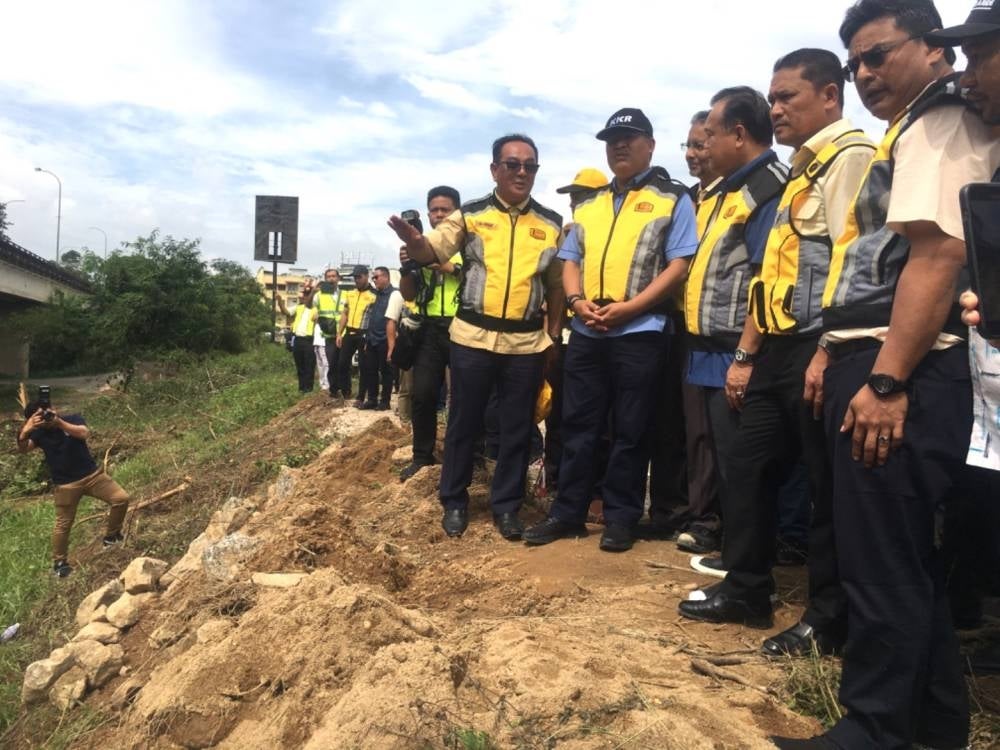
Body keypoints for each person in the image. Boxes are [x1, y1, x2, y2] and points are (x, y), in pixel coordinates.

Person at [770, 2, 1000, 748]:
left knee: (882, 563)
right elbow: (878, 262)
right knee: (897, 558)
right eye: (856, 63)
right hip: (873, 357)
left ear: (934, 49)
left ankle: (875, 727)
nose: (866, 74)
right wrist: (835, 351)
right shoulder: (912, 128)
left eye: (879, 55)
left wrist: (889, 380)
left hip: (906, 367)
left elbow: (937, 255)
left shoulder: (942, 123)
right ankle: (930, 727)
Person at [679, 50, 876, 652]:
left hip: (820, 347)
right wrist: (746, 355)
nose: (777, 109)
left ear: (829, 97)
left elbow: (853, 265)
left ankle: (827, 619)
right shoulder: (802, 170)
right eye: (774, 98)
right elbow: (774, 274)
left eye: (789, 96)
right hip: (774, 348)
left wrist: (827, 351)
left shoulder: (853, 159)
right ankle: (745, 590)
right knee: (747, 464)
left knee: (825, 487)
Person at [522, 108, 697, 552]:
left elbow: (679, 265)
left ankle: (621, 517)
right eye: (612, 139)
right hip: (588, 330)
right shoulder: (590, 204)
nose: (619, 145)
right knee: (577, 424)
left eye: (630, 137)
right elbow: (571, 260)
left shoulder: (672, 198)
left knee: (631, 428)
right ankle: (568, 513)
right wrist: (579, 302)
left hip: (641, 330)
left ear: (650, 145)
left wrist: (630, 309)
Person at [388, 133, 563, 540]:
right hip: (472, 338)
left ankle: (506, 507)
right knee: (464, 423)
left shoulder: (551, 224)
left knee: (518, 427)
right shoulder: (470, 215)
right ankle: (454, 500)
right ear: (494, 170)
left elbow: (555, 286)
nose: (521, 172)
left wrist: (552, 333)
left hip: (525, 344)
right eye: (512, 164)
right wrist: (415, 242)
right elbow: (434, 249)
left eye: (529, 166)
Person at [676, 87, 789, 568]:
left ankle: (747, 557)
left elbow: (768, 276)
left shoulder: (768, 187)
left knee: (745, 458)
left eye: (712, 136)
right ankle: (731, 541)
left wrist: (745, 355)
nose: (703, 147)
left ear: (738, 135)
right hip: (708, 345)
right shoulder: (727, 189)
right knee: (720, 451)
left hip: (740, 349)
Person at [640, 111, 724, 544]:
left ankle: (706, 519)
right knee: (669, 422)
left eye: (700, 144)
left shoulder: (737, 197)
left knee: (707, 430)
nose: (692, 154)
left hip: (718, 332)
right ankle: (670, 509)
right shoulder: (686, 199)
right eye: (687, 146)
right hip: (673, 325)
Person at [540, 167, 609, 497]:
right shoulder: (564, 238)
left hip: (598, 334)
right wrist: (550, 338)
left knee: (597, 418)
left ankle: (595, 490)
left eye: (583, 196)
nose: (576, 203)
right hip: (564, 337)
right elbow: (551, 293)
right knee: (558, 414)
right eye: (573, 198)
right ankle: (556, 482)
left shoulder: (609, 235)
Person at [17, 398, 130, 578]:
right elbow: (24, 449)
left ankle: (111, 536)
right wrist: (25, 431)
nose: (47, 416)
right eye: (40, 415)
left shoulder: (72, 419)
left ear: (55, 409)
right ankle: (59, 563)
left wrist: (60, 423)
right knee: (63, 524)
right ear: (33, 419)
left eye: (48, 411)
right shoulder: (38, 434)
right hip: (66, 485)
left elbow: (84, 433)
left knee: (121, 499)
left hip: (93, 476)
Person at [397, 186, 463, 481]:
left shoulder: (468, 242)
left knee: (465, 397)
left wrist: (440, 262)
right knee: (423, 395)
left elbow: (471, 274)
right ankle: (422, 457)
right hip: (429, 329)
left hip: (463, 327)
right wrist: (407, 267)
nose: (438, 215)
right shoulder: (417, 247)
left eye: (444, 210)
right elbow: (408, 293)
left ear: (456, 214)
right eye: (434, 210)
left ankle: (468, 456)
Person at [358, 266, 399, 410]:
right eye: (373, 277)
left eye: (376, 277)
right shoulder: (377, 295)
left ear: (386, 277)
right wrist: (367, 339)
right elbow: (372, 318)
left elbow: (394, 320)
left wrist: (392, 345)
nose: (374, 280)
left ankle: (385, 401)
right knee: (370, 370)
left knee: (386, 372)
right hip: (372, 339)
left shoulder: (395, 295)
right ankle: (372, 399)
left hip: (386, 340)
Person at [335, 266, 376, 406]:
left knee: (364, 367)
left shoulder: (373, 294)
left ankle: (360, 396)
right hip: (349, 332)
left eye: (359, 277)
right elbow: (345, 313)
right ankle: (346, 392)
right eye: (355, 277)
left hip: (364, 333)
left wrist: (370, 336)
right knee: (342, 363)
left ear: (366, 276)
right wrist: (339, 333)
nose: (356, 280)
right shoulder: (350, 294)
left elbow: (375, 318)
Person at [278, 276, 318, 393]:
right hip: (298, 340)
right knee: (300, 366)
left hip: (310, 340)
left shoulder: (316, 309)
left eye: (307, 295)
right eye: (304, 295)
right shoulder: (299, 307)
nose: (305, 297)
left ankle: (308, 389)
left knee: (309, 366)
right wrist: (280, 301)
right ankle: (301, 389)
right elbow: (286, 312)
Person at [315, 267, 345, 399]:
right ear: (325, 279)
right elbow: (312, 308)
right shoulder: (319, 295)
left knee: (344, 363)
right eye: (329, 276)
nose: (331, 278)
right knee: (332, 362)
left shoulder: (344, 294)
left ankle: (346, 389)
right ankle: (334, 390)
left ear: (338, 278)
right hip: (329, 335)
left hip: (344, 334)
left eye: (334, 276)